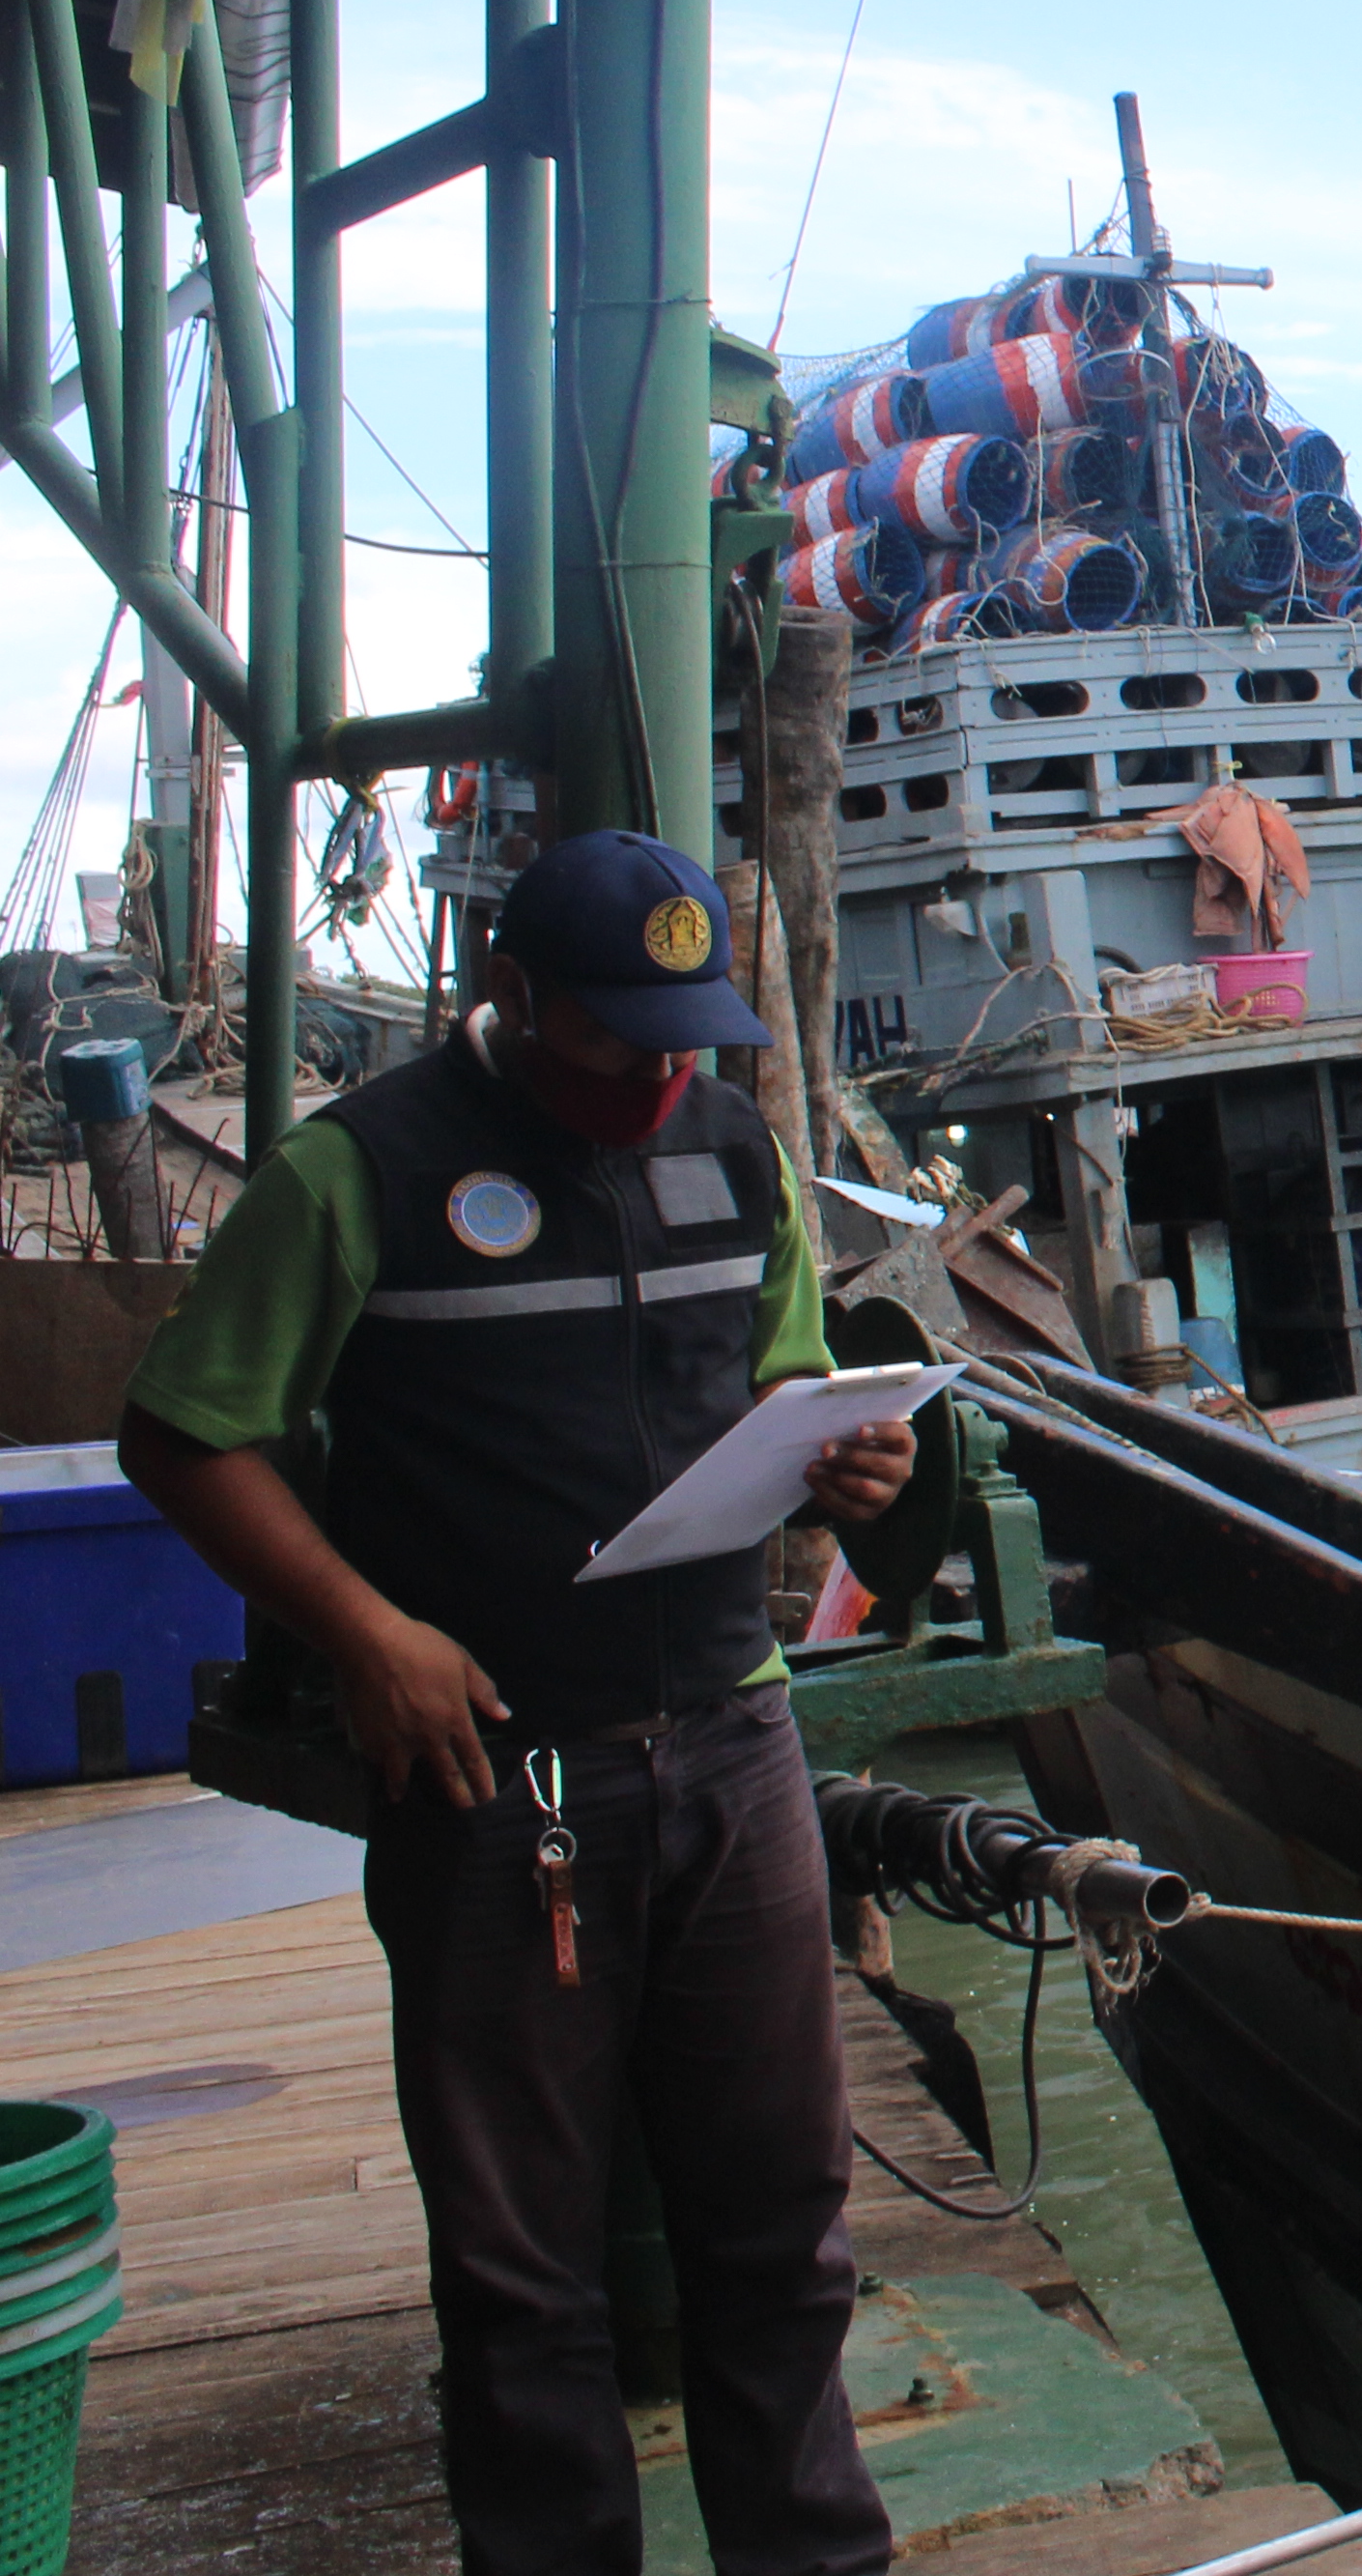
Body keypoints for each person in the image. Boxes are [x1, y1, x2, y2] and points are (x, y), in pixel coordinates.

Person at [116, 831, 921, 2576]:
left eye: (683, 1035)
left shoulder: (731, 1148)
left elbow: (775, 1373)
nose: (654, 1071)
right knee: (521, 2267)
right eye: (615, 1034)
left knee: (783, 2229)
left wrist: (845, 1451)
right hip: (499, 1775)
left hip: (732, 1734)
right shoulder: (359, 1176)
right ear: (512, 993)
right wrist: (361, 1632)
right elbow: (184, 1431)